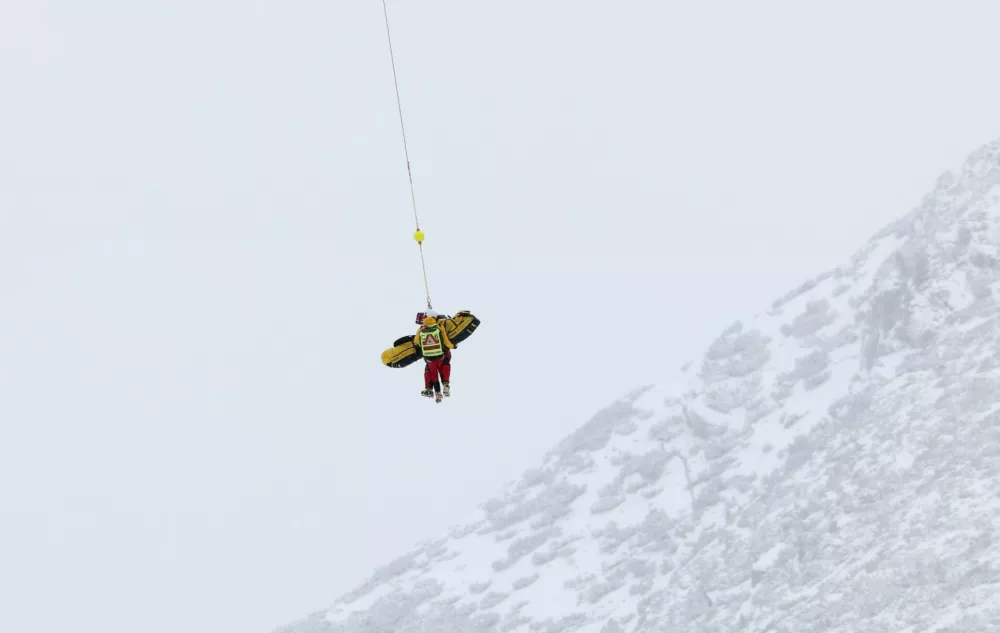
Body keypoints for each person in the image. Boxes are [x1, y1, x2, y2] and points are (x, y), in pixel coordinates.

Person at [414, 309, 455, 401]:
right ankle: (446, 384)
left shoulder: (421, 329)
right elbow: (446, 341)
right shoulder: (439, 327)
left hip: (428, 357)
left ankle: (436, 392)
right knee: (444, 365)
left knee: (432, 371)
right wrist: (453, 346)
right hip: (440, 354)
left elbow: (416, 342)